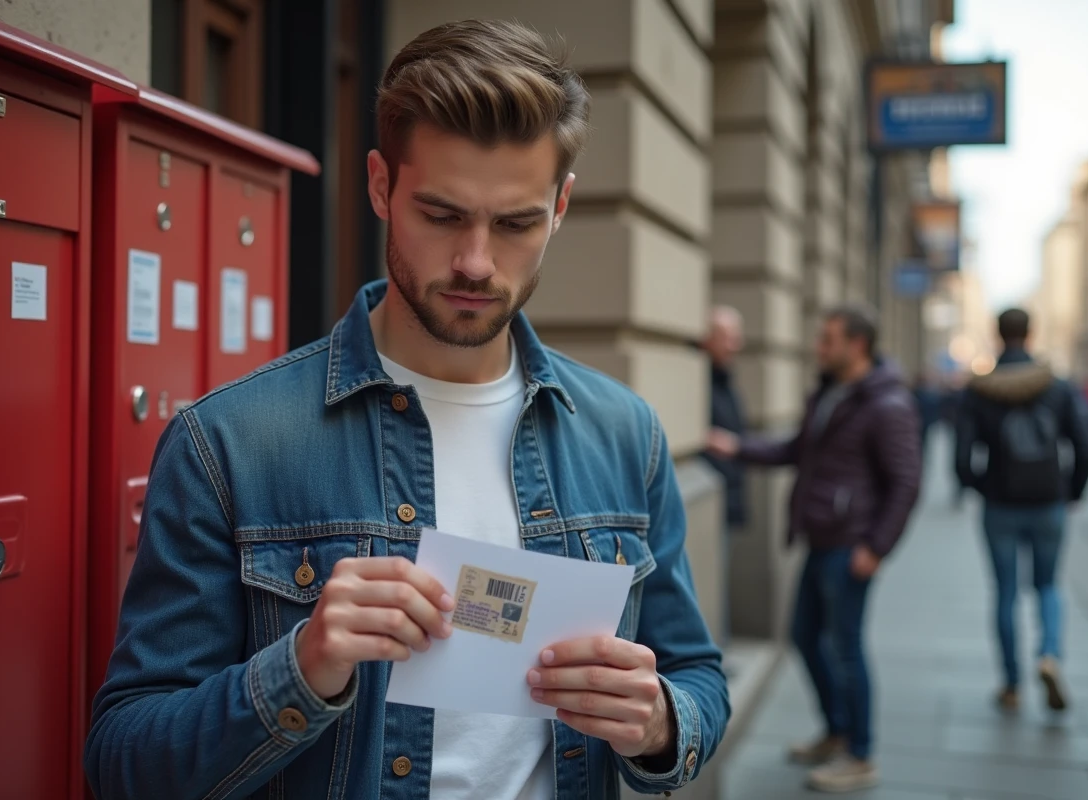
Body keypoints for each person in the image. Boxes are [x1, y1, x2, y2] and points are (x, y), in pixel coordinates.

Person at [84, 20, 729, 800]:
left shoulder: (625, 434)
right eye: (442, 214)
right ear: (381, 186)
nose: (476, 262)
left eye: (516, 223)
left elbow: (697, 675)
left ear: (560, 206)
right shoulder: (229, 443)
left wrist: (659, 722)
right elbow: (124, 763)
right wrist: (301, 669)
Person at [707, 305, 922, 793]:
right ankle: (837, 730)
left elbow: (906, 482)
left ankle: (861, 754)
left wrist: (876, 547)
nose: (818, 347)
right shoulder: (831, 393)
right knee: (805, 636)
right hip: (821, 540)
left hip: (851, 547)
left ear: (857, 345)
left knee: (846, 648)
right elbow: (796, 450)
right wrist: (738, 447)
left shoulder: (887, 404)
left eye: (828, 340)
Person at [955, 308, 1088, 714]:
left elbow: (962, 458)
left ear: (997, 334)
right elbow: (1084, 447)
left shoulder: (979, 390)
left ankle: (1011, 684)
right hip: (1048, 501)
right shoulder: (1057, 386)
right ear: (1030, 334)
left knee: (1005, 593)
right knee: (1048, 585)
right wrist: (1073, 491)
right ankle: (1048, 654)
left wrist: (981, 486)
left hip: (1000, 504)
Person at [702, 305, 750, 529]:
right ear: (707, 339)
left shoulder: (726, 381)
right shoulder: (699, 382)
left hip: (727, 496)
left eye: (737, 338)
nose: (735, 346)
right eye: (728, 338)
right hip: (711, 498)